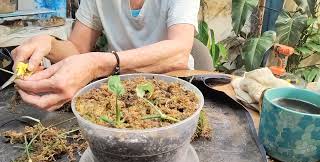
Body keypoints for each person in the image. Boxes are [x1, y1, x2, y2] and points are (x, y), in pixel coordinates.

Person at [12, 0, 200, 111]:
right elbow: (77, 50)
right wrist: (50, 45)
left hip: (174, 91)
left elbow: (179, 53)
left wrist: (99, 64)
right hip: (118, 93)